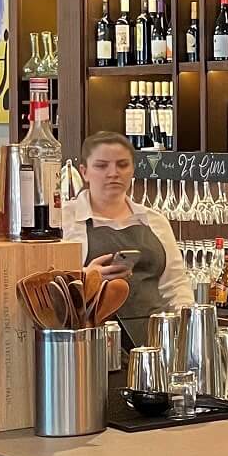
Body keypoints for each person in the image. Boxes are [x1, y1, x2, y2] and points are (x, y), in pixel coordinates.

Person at [60, 132, 193, 335]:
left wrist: (186, 331)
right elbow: (50, 288)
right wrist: (86, 278)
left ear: (132, 169)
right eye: (102, 165)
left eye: (122, 165)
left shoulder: (155, 220)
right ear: (84, 171)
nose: (113, 173)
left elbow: (175, 286)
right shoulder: (64, 220)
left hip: (157, 339)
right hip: (94, 339)